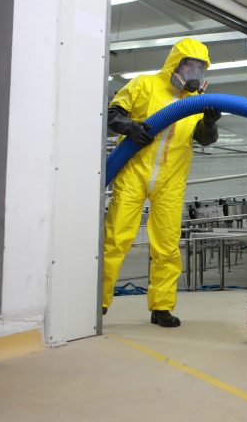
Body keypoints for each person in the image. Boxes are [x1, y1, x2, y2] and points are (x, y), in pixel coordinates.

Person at [102, 38, 222, 328]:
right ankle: (98, 302)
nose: (194, 73)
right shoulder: (144, 84)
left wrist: (209, 122)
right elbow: (112, 114)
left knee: (167, 246)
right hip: (133, 172)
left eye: (200, 68)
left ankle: (162, 306)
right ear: (175, 63)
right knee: (116, 239)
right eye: (189, 65)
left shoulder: (196, 103)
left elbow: (205, 139)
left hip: (171, 180)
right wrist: (130, 127)